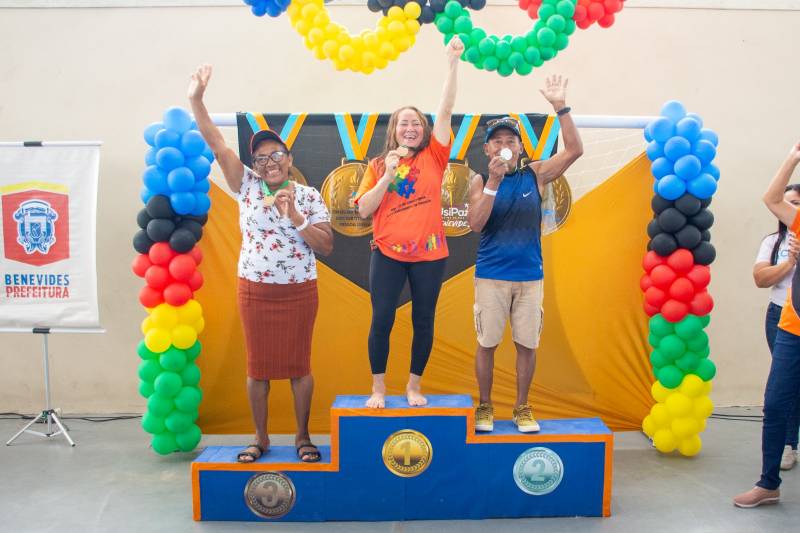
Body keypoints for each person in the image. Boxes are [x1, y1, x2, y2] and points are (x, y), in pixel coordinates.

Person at [188, 64, 334, 463]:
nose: (269, 162)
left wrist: (296, 217)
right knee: (258, 369)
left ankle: (303, 437)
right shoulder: (246, 186)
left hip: (299, 292)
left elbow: (325, 246)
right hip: (255, 291)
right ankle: (261, 438)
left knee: (299, 366)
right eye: (261, 157)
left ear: (289, 158)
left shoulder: (308, 196)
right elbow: (217, 144)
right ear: (255, 164)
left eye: (276, 155)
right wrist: (196, 99)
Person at [466, 75, 583, 433]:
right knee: (487, 344)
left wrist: (560, 107)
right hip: (491, 276)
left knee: (527, 345)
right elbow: (476, 224)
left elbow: (574, 150)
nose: (504, 146)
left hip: (530, 277)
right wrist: (493, 182)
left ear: (519, 147)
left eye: (510, 141)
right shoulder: (479, 180)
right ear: (488, 150)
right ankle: (485, 406)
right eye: (497, 141)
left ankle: (522, 407)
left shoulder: (536, 173)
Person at [355, 36, 464, 408]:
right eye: (404, 123)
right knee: (382, 318)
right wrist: (387, 176)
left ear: (424, 129)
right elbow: (363, 210)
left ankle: (414, 387)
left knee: (424, 320)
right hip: (387, 254)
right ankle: (378, 389)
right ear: (394, 130)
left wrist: (452, 63)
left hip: (430, 257)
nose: (411, 128)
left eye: (416, 123)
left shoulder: (435, 155)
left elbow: (446, 109)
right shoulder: (376, 165)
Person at [734, 142, 800, 507]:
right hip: (792, 325)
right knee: (775, 404)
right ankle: (768, 483)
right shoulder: (794, 226)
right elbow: (772, 198)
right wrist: (793, 157)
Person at [753, 184, 800, 471]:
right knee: (787, 384)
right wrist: (790, 262)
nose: (794, 208)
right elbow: (760, 279)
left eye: (799, 203)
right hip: (780, 315)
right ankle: (787, 445)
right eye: (790, 203)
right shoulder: (774, 242)